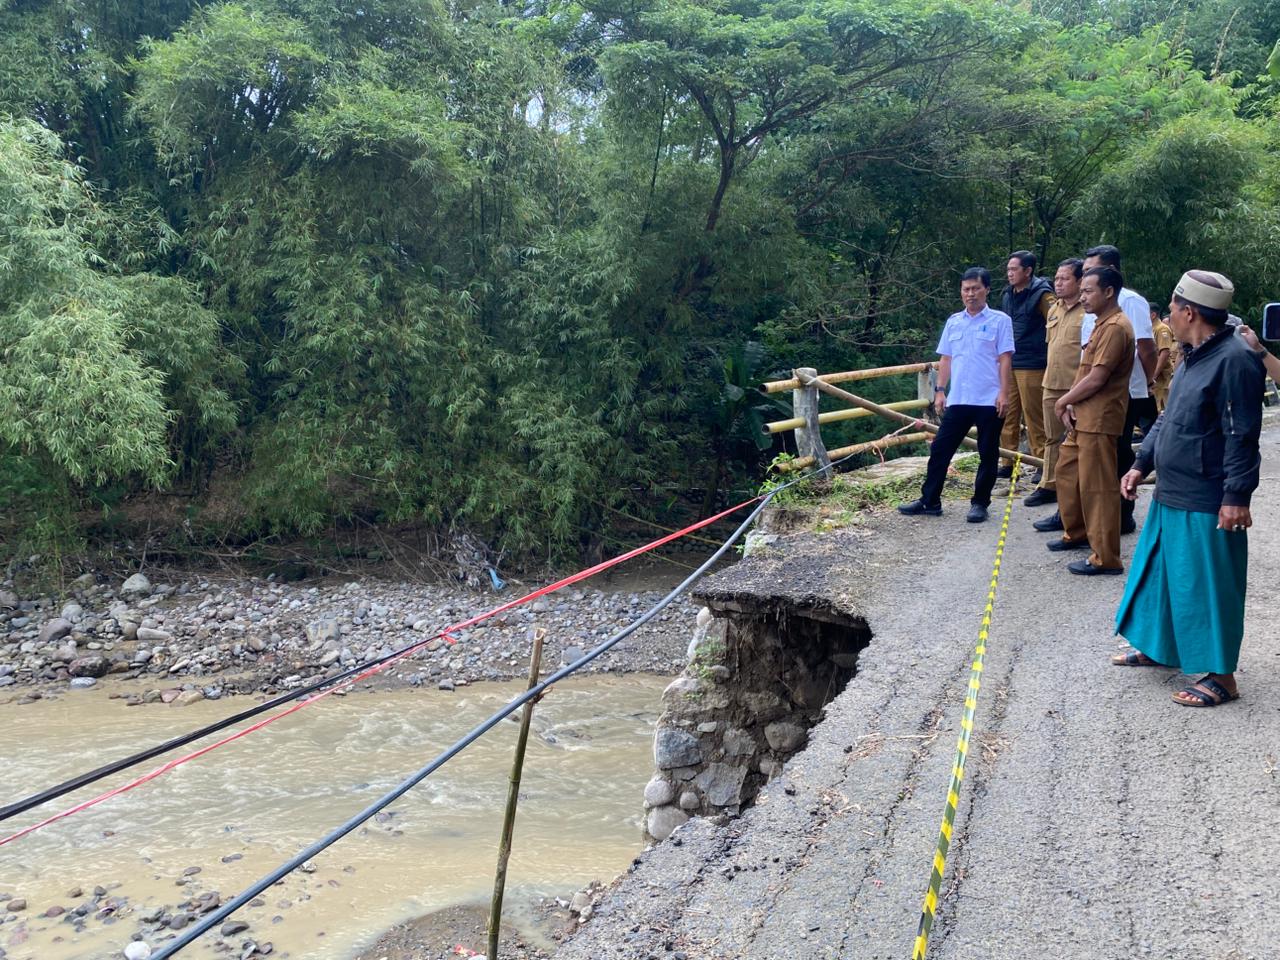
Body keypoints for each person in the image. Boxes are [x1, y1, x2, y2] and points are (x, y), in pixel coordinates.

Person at [1111, 270, 1265, 707]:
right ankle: (1159, 648)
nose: (1169, 318)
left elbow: (1241, 434)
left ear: (1189, 311)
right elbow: (1167, 417)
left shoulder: (1234, 360)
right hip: (1172, 489)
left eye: (1173, 310)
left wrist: (1237, 496)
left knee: (1209, 585)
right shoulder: (1194, 354)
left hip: (1208, 495)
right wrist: (1141, 464)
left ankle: (1222, 677)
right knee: (1161, 574)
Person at [1034, 244, 1155, 536]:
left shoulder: (1130, 303)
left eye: (1089, 272)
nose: (1082, 279)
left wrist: (1146, 383)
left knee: (1114, 460)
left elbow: (1147, 348)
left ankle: (1118, 520)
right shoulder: (1092, 304)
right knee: (1079, 462)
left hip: (1123, 392)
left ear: (1110, 273)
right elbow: (1086, 355)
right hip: (1087, 393)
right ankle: (1071, 517)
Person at [899, 267, 1013, 523]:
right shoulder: (954, 321)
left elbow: (1005, 359)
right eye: (966, 289)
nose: (970, 294)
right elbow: (946, 358)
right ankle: (930, 500)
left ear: (987, 290)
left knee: (988, 452)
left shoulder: (1000, 321)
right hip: (959, 397)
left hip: (989, 398)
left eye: (975, 288)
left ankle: (980, 503)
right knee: (941, 448)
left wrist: (1004, 393)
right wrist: (940, 391)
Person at [1047, 265, 1134, 575]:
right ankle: (1078, 532)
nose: (1081, 297)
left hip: (1100, 419)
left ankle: (1106, 558)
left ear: (1108, 292)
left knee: (1098, 488)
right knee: (1067, 472)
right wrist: (1071, 403)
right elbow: (1085, 373)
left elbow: (1098, 378)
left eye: (1087, 291)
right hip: (1082, 415)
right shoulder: (1100, 323)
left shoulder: (1115, 327)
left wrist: (1063, 399)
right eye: (1081, 290)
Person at [1024, 258, 1085, 509]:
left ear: (1080, 281)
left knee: (1078, 438)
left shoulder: (1088, 312)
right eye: (1056, 279)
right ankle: (1049, 485)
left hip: (1077, 384)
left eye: (1064, 278)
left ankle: (1076, 489)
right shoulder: (1054, 309)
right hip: (1052, 382)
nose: (1058, 283)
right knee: (1052, 437)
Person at [998, 251, 1054, 481]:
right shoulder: (1007, 294)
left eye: (1014, 269)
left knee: (1035, 417)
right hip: (1011, 360)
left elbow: (1055, 324)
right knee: (1007, 414)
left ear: (1028, 271)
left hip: (1033, 362)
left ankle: (1041, 462)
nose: (1009, 273)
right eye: (1008, 269)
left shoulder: (1042, 294)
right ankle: (1008, 462)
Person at [1149, 306, 1175, 412]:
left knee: (1157, 408)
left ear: (1153, 315)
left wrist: (1154, 375)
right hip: (1152, 374)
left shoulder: (1162, 329)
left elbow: (1164, 353)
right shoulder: (1151, 329)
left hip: (1160, 376)